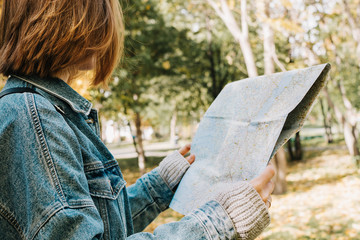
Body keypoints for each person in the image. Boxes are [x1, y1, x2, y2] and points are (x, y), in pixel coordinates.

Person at [0, 0, 275, 239]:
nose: (106, 30)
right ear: (60, 19)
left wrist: (160, 186)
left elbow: (100, 224)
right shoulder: (34, 117)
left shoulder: (45, 109)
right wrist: (219, 221)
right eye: (98, 14)